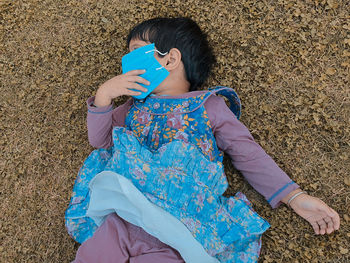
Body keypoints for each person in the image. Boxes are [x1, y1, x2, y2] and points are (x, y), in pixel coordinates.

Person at [65, 17, 340, 263]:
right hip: (122, 219)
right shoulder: (132, 107)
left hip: (180, 227)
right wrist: (104, 96)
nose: (126, 66)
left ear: (170, 59)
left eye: (136, 52)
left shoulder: (208, 106)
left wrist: (295, 197)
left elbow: (247, 153)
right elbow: (101, 141)